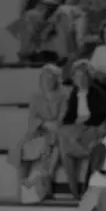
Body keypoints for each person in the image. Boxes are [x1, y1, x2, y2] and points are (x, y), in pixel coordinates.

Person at [9, 64, 67, 203]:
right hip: (38, 130)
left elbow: (61, 119)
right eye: (45, 78)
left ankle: (42, 187)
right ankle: (21, 187)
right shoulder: (36, 96)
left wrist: (49, 125)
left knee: (50, 148)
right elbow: (32, 118)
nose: (47, 81)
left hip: (55, 132)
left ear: (56, 80)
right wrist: (43, 123)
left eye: (51, 78)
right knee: (22, 149)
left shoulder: (63, 96)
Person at [58, 61, 106, 197]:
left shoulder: (97, 92)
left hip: (92, 127)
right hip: (78, 128)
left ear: (89, 77)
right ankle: (73, 188)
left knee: (75, 139)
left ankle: (85, 188)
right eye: (77, 77)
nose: (80, 80)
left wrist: (82, 121)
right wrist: (74, 123)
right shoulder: (74, 93)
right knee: (65, 146)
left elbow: (99, 116)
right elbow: (69, 117)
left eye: (83, 76)